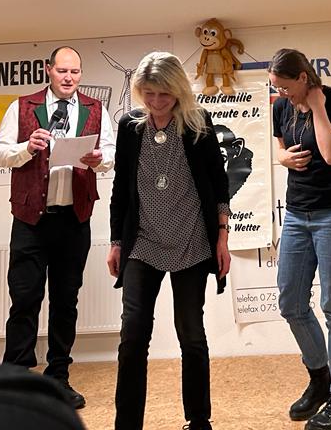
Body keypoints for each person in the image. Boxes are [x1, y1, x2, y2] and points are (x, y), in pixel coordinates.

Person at [107, 52, 231, 430]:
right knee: (132, 337)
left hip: (190, 239)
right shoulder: (130, 127)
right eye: (149, 94)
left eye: (164, 94)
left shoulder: (196, 124)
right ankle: (127, 424)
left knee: (191, 335)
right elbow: (120, 188)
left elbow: (219, 182)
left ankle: (199, 419)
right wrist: (116, 241)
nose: (157, 102)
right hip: (142, 243)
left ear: (178, 91)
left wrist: (222, 236)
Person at [0, 46, 116, 409]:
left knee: (65, 301)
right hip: (30, 220)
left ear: (81, 74)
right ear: (49, 70)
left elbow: (111, 156)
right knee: (25, 299)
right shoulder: (23, 107)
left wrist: (98, 160)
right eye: (62, 70)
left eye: (75, 72)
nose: (68, 78)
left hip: (74, 220)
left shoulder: (95, 109)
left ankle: (58, 377)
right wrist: (26, 148)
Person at [269, 48, 331, 430]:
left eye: (284, 86)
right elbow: (279, 147)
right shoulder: (281, 107)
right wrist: (282, 159)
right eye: (276, 87)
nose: (280, 93)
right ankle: (320, 377)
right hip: (297, 214)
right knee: (290, 302)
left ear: (303, 78)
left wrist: (318, 107)